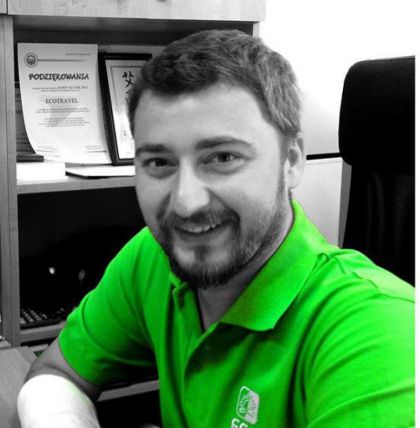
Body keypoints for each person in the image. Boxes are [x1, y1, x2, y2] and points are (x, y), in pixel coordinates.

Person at [18, 30, 414, 428]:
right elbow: (58, 372)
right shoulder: (153, 255)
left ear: (291, 161)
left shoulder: (382, 333)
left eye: (223, 157)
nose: (186, 203)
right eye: (159, 163)